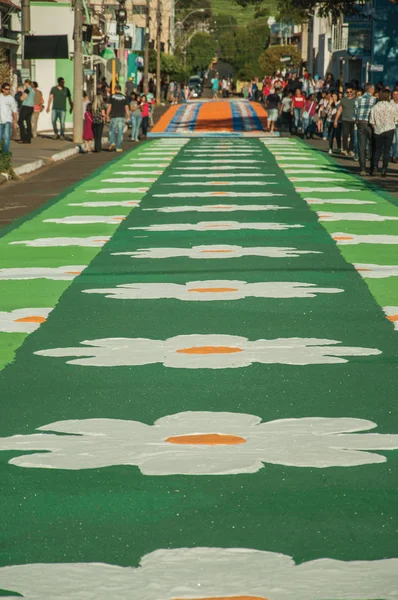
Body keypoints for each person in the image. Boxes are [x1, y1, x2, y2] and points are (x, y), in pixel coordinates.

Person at [369, 89, 396, 177]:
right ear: (388, 96)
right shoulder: (392, 107)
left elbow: (372, 121)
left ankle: (375, 166)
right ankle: (384, 168)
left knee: (377, 150)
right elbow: (396, 119)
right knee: (387, 150)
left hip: (378, 130)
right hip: (389, 129)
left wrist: (376, 127)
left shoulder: (375, 107)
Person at [354, 82, 377, 176]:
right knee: (372, 146)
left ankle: (363, 169)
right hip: (370, 124)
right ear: (370, 89)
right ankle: (372, 167)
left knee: (361, 146)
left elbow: (355, 112)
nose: (374, 90)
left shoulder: (358, 99)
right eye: (374, 89)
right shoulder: (375, 100)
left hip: (360, 123)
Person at [107, 84, 129, 152]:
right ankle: (118, 147)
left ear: (115, 89)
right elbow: (126, 107)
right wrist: (128, 116)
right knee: (120, 132)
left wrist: (107, 114)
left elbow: (109, 107)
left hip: (114, 116)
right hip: (121, 116)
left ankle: (112, 142)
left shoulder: (112, 97)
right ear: (120, 89)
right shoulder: (124, 97)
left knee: (112, 130)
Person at [334, 84, 356, 156]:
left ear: (353, 92)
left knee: (353, 136)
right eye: (347, 92)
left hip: (353, 120)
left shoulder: (356, 100)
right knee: (345, 135)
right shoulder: (343, 100)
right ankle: (345, 149)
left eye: (350, 92)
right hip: (345, 120)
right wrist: (336, 120)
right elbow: (339, 110)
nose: (349, 93)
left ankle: (351, 149)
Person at [0, 82, 18, 154]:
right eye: (6, 89)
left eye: (9, 89)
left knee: (6, 138)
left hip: (7, 120)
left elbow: (14, 110)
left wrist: (15, 121)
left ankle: (5, 153)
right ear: (2, 89)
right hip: (0, 121)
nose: (8, 91)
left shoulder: (11, 99)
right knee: (0, 137)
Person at [19, 79, 35, 144]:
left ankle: (23, 137)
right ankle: (28, 138)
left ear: (26, 83)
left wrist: (22, 93)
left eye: (25, 83)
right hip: (31, 107)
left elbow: (22, 98)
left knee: (20, 121)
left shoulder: (27, 90)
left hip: (26, 107)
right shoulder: (33, 90)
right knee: (28, 122)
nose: (24, 85)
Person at [390, 88, 398, 163]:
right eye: (394, 94)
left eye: (397, 94)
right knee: (393, 140)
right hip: (392, 123)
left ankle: (396, 155)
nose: (395, 96)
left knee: (397, 140)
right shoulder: (390, 102)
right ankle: (391, 155)